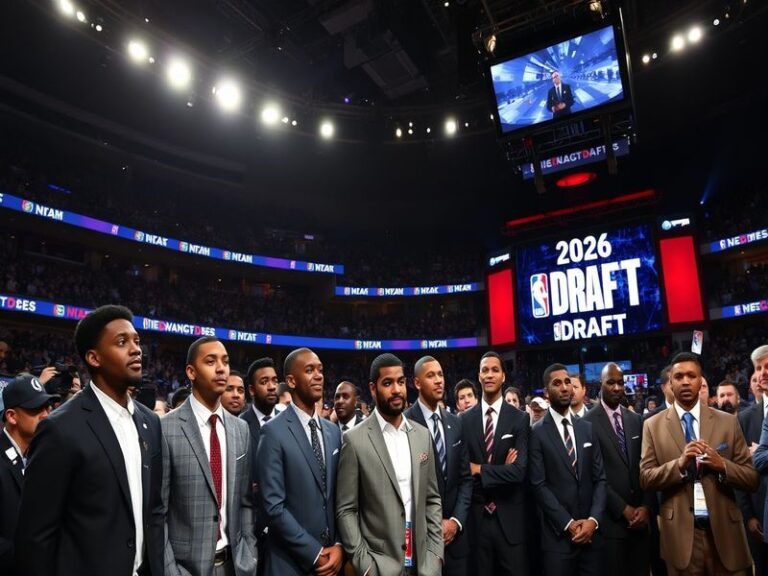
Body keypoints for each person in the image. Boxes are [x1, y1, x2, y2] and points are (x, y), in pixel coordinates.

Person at [15, 305, 165, 576]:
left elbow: (154, 510)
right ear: (94, 358)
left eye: (137, 341)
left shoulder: (150, 422)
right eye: (122, 342)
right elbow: (36, 537)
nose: (136, 350)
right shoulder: (59, 429)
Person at [640, 351, 758, 575]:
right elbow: (646, 479)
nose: (685, 381)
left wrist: (722, 465)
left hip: (725, 534)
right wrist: (680, 464)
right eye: (679, 376)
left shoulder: (728, 422)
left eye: (691, 376)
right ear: (669, 384)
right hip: (681, 539)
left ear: (701, 381)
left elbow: (751, 478)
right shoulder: (652, 426)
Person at [336, 353, 443, 576]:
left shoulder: (422, 436)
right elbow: (346, 510)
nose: (396, 390)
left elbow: (432, 499)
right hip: (380, 566)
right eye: (388, 383)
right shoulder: (354, 440)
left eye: (401, 382)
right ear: (373, 389)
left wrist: (435, 556)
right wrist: (364, 564)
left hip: (423, 565)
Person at [161, 336, 257, 576]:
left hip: (234, 565)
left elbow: (245, 501)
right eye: (210, 361)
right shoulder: (165, 428)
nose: (221, 368)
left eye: (225, 361)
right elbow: (158, 513)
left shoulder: (240, 429)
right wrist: (172, 571)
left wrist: (249, 555)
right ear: (191, 372)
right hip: (185, 569)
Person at [256, 348, 343, 576]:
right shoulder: (272, 432)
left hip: (333, 559)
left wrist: (340, 546)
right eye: (309, 370)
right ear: (291, 381)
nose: (318, 376)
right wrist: (315, 553)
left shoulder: (334, 432)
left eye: (320, 370)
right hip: (290, 563)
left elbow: (340, 498)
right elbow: (274, 507)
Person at [529, 363, 607, 576]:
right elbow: (538, 485)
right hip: (557, 539)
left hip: (593, 536)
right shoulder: (536, 433)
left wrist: (593, 521)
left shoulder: (587, 429)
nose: (564, 388)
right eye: (557, 383)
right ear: (546, 392)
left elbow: (600, 479)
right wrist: (569, 524)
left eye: (567, 382)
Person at [461, 351, 530, 575]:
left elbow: (519, 473)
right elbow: (463, 472)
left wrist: (479, 469)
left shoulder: (520, 418)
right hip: (476, 521)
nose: (489, 374)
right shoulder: (463, 420)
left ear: (503, 377)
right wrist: (502, 470)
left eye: (495, 370)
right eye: (484, 370)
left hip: (511, 521)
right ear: (479, 376)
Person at [405, 356, 472, 576]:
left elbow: (465, 479)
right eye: (431, 375)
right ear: (416, 383)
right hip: (421, 540)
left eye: (441, 374)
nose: (438, 380)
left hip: (457, 538)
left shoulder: (455, 422)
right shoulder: (404, 423)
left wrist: (455, 521)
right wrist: (432, 524)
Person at [583, 363, 652, 576]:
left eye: (620, 383)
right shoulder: (586, 423)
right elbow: (594, 474)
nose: (616, 387)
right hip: (611, 524)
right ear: (599, 385)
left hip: (641, 522)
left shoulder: (636, 419)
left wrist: (646, 507)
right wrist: (623, 508)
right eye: (610, 382)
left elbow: (647, 465)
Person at [0, 374, 58, 576]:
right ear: (11, 416)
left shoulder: (43, 455)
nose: (45, 414)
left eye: (46, 407)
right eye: (35, 409)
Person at [736, 345, 768, 576]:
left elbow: (758, 458)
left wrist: (759, 454)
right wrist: (749, 516)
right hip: (758, 514)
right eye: (758, 368)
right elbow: (738, 470)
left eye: (767, 366)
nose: (762, 373)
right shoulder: (744, 418)